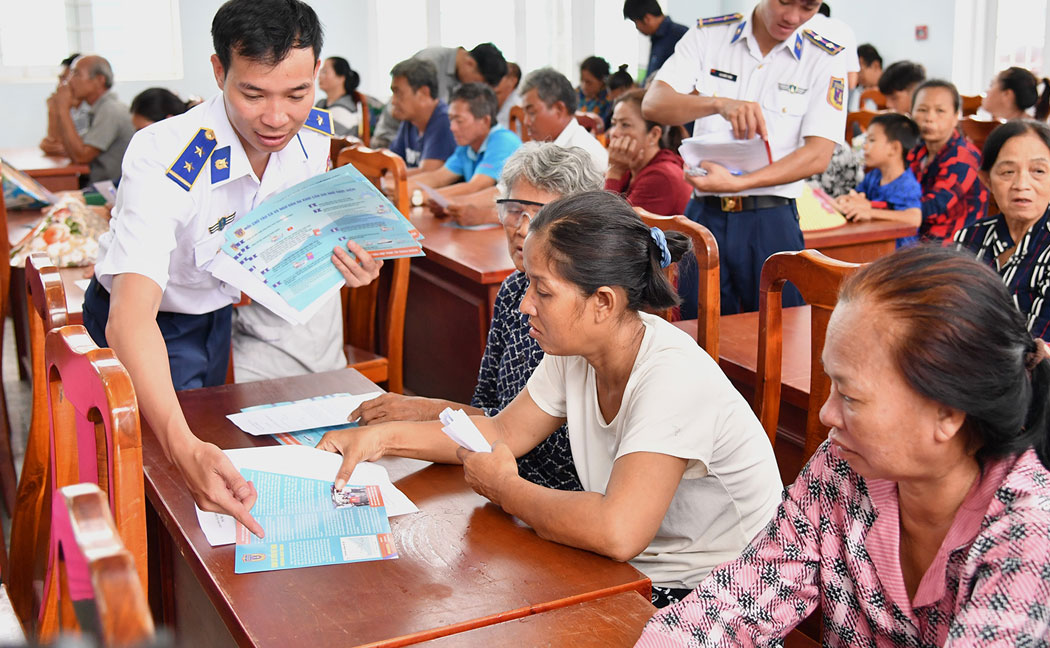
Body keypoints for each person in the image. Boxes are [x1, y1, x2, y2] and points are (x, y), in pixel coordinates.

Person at [638, 245, 1050, 646]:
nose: (827, 415)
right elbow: (734, 604)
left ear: (948, 412)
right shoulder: (844, 468)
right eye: (830, 386)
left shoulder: (1039, 538)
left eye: (850, 396)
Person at [318, 190, 782, 607]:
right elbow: (502, 430)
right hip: (637, 570)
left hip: (719, 593)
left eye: (542, 291)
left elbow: (618, 531)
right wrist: (381, 439)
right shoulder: (580, 348)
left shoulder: (671, 378)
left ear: (604, 302)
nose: (525, 305)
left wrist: (506, 489)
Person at [82, 0, 382, 536]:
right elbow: (129, 317)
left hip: (217, 315)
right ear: (219, 71)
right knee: (153, 475)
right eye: (253, 93)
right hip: (149, 324)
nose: (277, 117)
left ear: (317, 72)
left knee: (209, 462)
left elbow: (287, 231)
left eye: (297, 93)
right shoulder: (166, 154)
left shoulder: (314, 134)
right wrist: (181, 445)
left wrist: (340, 261)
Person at [349, 143, 603, 490]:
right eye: (514, 210)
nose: (522, 228)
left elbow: (544, 447)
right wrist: (422, 410)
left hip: (554, 493)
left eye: (540, 215)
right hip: (496, 471)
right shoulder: (513, 290)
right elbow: (489, 409)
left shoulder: (590, 311)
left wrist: (423, 416)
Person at [643, 0, 852, 314]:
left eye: (809, 7)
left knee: (780, 334)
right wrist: (718, 104)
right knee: (696, 331)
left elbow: (818, 154)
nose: (792, 17)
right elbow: (654, 103)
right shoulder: (710, 37)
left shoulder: (825, 58)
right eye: (783, 0)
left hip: (771, 220)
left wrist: (739, 183)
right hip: (705, 215)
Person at [955, 120, 1050, 343]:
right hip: (964, 357)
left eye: (1038, 171)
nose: (1021, 184)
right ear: (986, 179)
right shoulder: (969, 237)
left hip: (1037, 363)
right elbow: (950, 315)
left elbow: (1042, 345)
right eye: (1007, 172)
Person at [411, 83, 520, 205]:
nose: (452, 127)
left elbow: (476, 186)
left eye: (459, 121)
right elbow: (438, 177)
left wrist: (420, 197)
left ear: (485, 121)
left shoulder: (503, 141)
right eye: (451, 119)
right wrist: (402, 187)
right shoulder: (467, 146)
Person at [908, 79, 988, 243]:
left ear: (956, 116)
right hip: (915, 239)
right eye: (922, 110)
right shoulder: (916, 151)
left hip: (953, 249)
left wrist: (876, 209)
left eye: (940, 111)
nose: (929, 118)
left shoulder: (964, 157)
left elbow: (931, 208)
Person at [834, 113, 922, 247]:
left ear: (894, 148)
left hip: (898, 253)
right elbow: (858, 196)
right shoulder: (874, 176)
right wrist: (846, 200)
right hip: (874, 244)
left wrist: (870, 212)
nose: (865, 146)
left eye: (872, 140)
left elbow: (914, 218)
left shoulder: (906, 184)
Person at [43, 55, 134, 184]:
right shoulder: (98, 109)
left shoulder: (110, 110)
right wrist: (56, 110)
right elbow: (67, 147)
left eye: (76, 74)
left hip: (108, 189)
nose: (69, 81)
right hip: (97, 183)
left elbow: (81, 157)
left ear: (99, 80)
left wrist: (63, 109)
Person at [604, 89, 691, 216]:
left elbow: (606, 224)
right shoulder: (630, 166)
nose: (614, 133)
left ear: (654, 135)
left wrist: (614, 172)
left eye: (625, 125)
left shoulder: (662, 176)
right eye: (614, 124)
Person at [520, 67, 608, 175]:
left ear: (559, 109)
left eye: (532, 112)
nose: (526, 122)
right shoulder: (539, 145)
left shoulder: (585, 156)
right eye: (525, 113)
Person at [385, 58, 455, 172]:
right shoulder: (410, 120)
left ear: (424, 93)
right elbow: (389, 165)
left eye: (398, 93)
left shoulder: (445, 121)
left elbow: (428, 174)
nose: (393, 101)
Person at [624, 0, 689, 80]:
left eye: (636, 22)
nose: (637, 27)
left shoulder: (680, 35)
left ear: (647, 19)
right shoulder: (656, 37)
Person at [412, 43, 507, 104]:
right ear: (470, 63)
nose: (475, 87)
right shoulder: (430, 62)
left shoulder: (461, 77)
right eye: (476, 82)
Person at [981, 66, 1050, 121]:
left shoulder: (1020, 132)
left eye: (991, 85)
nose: (987, 91)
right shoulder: (1022, 127)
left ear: (1007, 94)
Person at [315, 56, 362, 136]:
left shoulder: (345, 110)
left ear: (341, 78)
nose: (319, 76)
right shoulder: (321, 104)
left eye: (324, 71)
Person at [577, 55, 613, 130]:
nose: (584, 86)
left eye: (589, 82)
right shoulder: (576, 93)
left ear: (602, 81)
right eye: (582, 80)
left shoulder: (609, 100)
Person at [848, 42, 883, 112]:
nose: (858, 77)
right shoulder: (858, 91)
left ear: (875, 66)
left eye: (860, 71)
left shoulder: (891, 91)